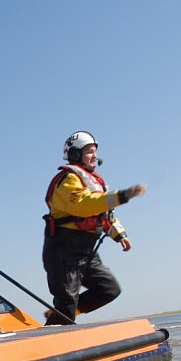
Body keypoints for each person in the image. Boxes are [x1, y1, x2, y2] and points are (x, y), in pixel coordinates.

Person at [42, 131, 145, 325]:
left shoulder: (93, 182)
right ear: (74, 154)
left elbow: (104, 213)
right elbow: (84, 204)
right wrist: (122, 196)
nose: (94, 156)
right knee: (66, 303)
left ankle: (58, 317)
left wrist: (118, 234)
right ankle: (53, 336)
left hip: (87, 251)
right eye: (89, 151)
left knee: (109, 289)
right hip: (64, 250)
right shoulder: (67, 180)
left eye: (95, 151)